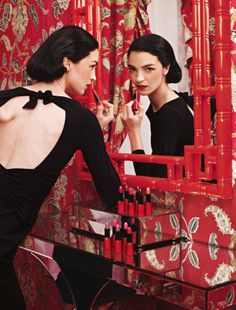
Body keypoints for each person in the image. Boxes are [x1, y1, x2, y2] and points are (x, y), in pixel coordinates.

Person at [0, 25, 120, 309]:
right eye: (91, 66)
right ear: (67, 62)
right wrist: (95, 134)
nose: (93, 76)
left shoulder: (4, 100)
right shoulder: (80, 119)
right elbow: (112, 191)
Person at [121, 34, 194, 178]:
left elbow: (152, 179)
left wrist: (133, 132)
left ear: (165, 68)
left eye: (148, 69)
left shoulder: (170, 113)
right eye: (132, 69)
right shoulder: (163, 104)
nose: (138, 78)